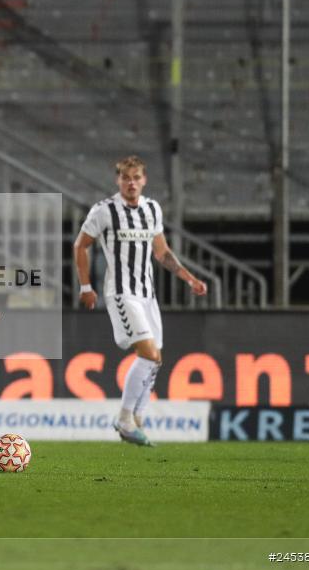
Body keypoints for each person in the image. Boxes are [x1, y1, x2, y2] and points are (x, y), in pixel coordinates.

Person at [73, 156, 208, 446]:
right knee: (149, 353)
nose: (131, 183)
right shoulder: (105, 210)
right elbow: (80, 246)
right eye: (125, 178)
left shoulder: (151, 209)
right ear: (118, 180)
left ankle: (137, 417)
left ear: (144, 180)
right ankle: (125, 419)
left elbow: (162, 253)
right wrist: (86, 286)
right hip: (122, 293)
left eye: (136, 178)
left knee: (155, 358)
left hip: (147, 295)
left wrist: (189, 279)